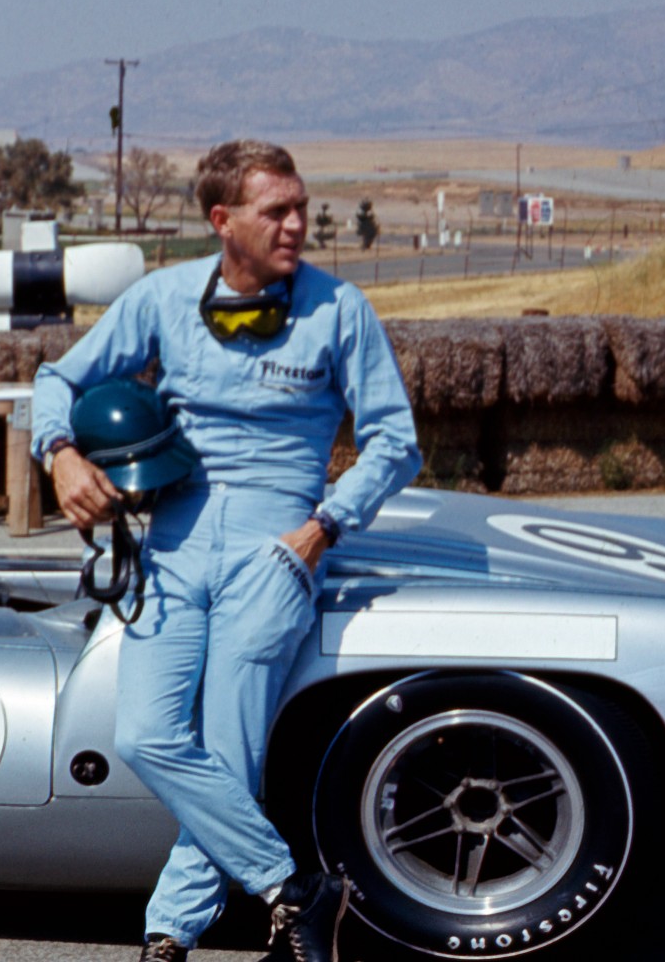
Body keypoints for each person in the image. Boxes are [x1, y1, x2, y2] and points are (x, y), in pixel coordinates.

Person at [32, 140, 421, 962]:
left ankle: (168, 935)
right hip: (170, 540)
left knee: (229, 742)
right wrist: (60, 454)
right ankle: (296, 889)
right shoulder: (162, 299)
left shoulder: (339, 309)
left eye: (300, 207)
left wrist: (323, 528)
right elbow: (55, 381)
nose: (296, 224)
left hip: (278, 542)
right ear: (223, 221)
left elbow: (395, 442)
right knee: (146, 734)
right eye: (274, 211)